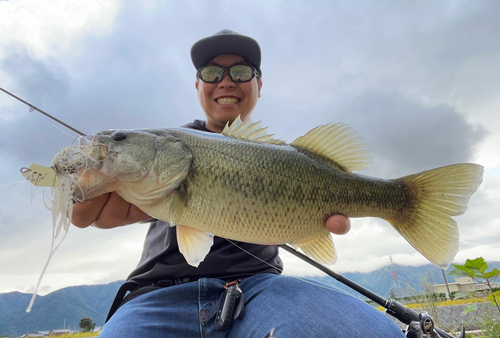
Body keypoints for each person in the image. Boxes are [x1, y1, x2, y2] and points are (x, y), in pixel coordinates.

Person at [72, 30, 405, 337]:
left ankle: (406, 202)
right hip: (159, 292)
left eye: (242, 72)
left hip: (261, 290)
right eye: (211, 73)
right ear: (198, 86)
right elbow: (90, 209)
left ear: (260, 85)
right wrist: (81, 192)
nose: (226, 81)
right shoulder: (167, 153)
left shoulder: (290, 160)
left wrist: (314, 225)